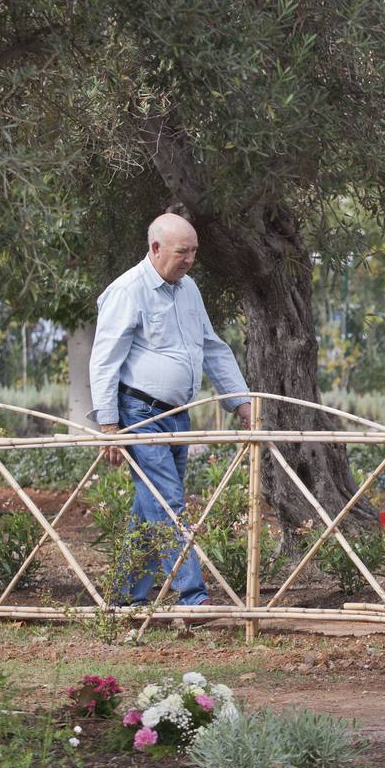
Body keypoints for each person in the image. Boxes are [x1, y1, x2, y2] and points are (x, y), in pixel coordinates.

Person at [89, 213, 254, 609]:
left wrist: (241, 401)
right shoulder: (128, 290)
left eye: (195, 252)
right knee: (168, 502)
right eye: (183, 252)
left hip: (177, 412)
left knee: (152, 505)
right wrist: (109, 425)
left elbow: (212, 346)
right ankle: (192, 598)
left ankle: (124, 598)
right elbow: (105, 359)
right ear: (156, 248)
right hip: (139, 412)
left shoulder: (188, 290)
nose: (191, 259)